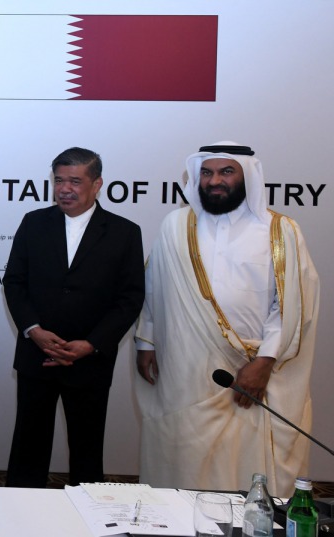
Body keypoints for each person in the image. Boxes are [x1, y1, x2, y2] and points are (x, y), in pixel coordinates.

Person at [135, 142, 319, 496]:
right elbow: (154, 287)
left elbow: (291, 305)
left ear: (247, 176)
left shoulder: (280, 231)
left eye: (226, 172)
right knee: (185, 461)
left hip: (252, 372)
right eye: (206, 173)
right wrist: (147, 341)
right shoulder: (176, 225)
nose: (214, 181)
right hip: (184, 370)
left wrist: (264, 362)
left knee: (248, 468)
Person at [0, 147, 144, 487]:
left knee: (87, 453)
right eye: (59, 180)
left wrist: (91, 344)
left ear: (97, 185)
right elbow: (14, 282)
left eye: (75, 181)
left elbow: (130, 298)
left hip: (89, 362)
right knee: (27, 451)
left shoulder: (125, 232)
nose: (65, 189)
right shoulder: (34, 223)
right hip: (37, 356)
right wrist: (34, 331)